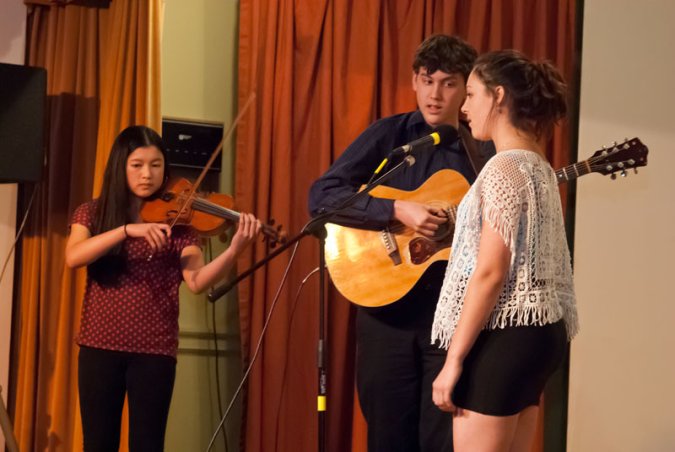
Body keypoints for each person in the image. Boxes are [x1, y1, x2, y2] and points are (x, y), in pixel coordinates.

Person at [309, 35, 491, 452]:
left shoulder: (481, 151)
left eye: (448, 83)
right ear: (414, 81)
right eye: (427, 81)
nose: (435, 93)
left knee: (439, 440)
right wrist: (397, 212)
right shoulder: (390, 136)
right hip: (384, 314)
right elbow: (322, 196)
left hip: (449, 321)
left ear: (467, 88)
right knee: (387, 437)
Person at [65, 125, 261, 452]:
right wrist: (128, 230)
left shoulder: (180, 224)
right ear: (120, 167)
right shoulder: (93, 213)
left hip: (154, 352)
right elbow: (74, 257)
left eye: (156, 165)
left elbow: (196, 281)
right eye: (137, 165)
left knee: (148, 444)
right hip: (98, 347)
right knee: (98, 444)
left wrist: (233, 251)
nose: (147, 174)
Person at [430, 49, 579, 451]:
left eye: (472, 94)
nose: (463, 108)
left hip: (505, 338)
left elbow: (491, 272)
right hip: (540, 336)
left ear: (498, 97)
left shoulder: (503, 167)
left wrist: (453, 360)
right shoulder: (538, 165)